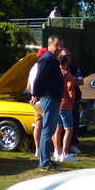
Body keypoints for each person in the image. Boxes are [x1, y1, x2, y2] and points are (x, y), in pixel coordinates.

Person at [32, 35, 65, 169]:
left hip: (54, 98)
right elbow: (39, 78)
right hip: (49, 98)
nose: (59, 48)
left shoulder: (53, 60)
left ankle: (46, 160)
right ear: (49, 45)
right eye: (57, 45)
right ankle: (44, 162)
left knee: (50, 130)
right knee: (47, 131)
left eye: (61, 45)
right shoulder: (47, 58)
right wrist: (35, 94)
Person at [54, 50, 80, 163]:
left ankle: (57, 152)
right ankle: (64, 153)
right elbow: (71, 91)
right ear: (66, 62)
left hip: (56, 103)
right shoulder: (67, 74)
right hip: (65, 104)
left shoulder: (54, 73)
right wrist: (72, 100)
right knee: (69, 129)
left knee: (57, 128)